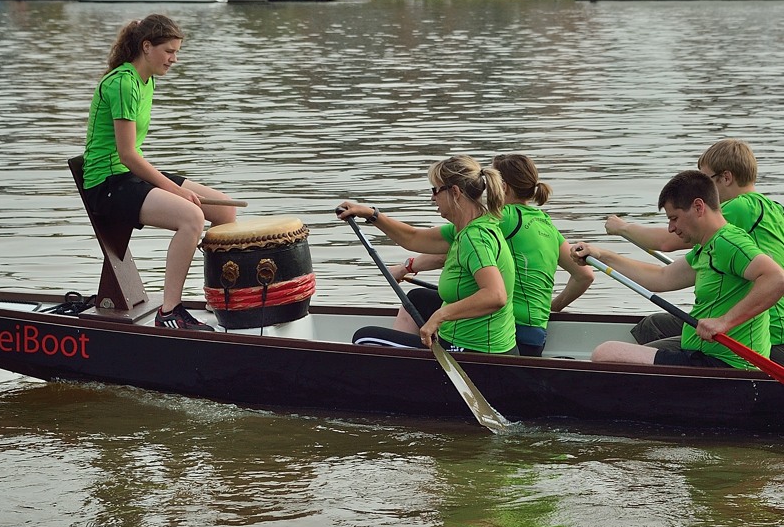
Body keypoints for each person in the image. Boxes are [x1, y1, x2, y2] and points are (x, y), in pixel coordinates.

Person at [82, 14, 238, 331]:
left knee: (225, 209)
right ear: (146, 46)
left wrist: (172, 189)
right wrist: (177, 191)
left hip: (126, 175)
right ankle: (169, 312)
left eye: (177, 51)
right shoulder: (123, 83)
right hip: (106, 184)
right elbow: (127, 154)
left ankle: (218, 300)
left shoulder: (146, 80)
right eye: (169, 51)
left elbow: (130, 157)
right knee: (191, 218)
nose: (174, 59)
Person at [572, 170, 784, 369]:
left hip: (726, 363)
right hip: (705, 355)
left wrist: (723, 322)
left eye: (674, 218)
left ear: (699, 207)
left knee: (605, 352)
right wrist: (601, 255)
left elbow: (776, 278)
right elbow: (661, 277)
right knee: (633, 340)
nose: (671, 228)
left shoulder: (728, 242)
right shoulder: (706, 248)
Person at [389, 154, 594, 356]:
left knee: (416, 300)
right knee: (427, 298)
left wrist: (406, 267)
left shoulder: (500, 219)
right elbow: (585, 275)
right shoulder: (545, 223)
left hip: (510, 330)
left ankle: (407, 361)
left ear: (502, 186)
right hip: (537, 333)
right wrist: (553, 306)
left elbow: (445, 254)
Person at [336, 155, 518, 355]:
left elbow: (495, 295)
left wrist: (439, 316)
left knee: (364, 337)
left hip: (476, 352)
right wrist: (371, 214)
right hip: (484, 344)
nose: (432, 198)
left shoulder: (475, 238)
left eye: (435, 190)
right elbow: (412, 237)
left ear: (455, 192)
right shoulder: (469, 227)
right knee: (416, 298)